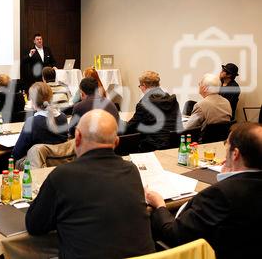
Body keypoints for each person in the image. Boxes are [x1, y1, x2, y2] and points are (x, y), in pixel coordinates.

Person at [26, 110, 155, 258]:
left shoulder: (62, 175)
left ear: (77, 137)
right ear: (116, 142)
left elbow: (34, 226)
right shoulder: (132, 170)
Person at [146, 123, 262, 259]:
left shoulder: (221, 194)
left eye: (227, 145)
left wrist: (160, 205)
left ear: (235, 154)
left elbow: (174, 235)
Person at [125, 71, 182, 152]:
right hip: (174, 144)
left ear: (144, 85)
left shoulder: (144, 104)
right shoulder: (172, 100)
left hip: (152, 147)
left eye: (140, 86)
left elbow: (131, 127)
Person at [12, 82, 68, 161]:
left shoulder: (32, 122)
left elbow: (17, 153)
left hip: (37, 165)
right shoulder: (63, 117)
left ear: (33, 101)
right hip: (59, 163)